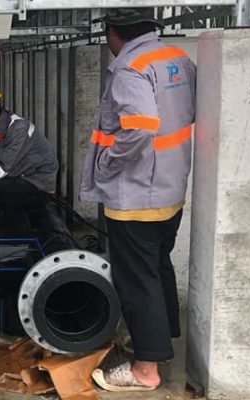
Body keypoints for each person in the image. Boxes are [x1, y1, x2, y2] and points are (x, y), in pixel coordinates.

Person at [80, 8, 196, 391]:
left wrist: (109, 164)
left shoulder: (130, 68)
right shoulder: (176, 59)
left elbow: (141, 126)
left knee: (136, 280)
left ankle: (145, 369)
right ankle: (162, 342)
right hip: (170, 187)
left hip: (136, 195)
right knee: (157, 266)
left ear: (114, 33)